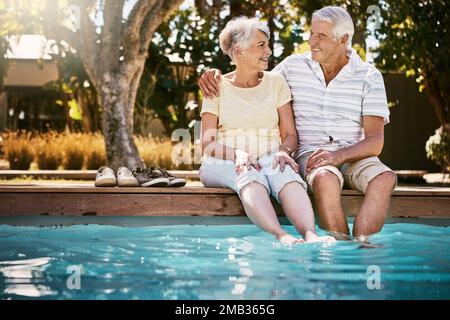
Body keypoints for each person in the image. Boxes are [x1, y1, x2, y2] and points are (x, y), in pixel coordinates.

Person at [199, 7, 397, 240]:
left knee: (385, 179)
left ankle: (363, 248)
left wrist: (338, 155)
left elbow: (375, 142)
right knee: (325, 179)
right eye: (311, 33)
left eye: (320, 36)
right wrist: (212, 74)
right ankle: (339, 249)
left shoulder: (369, 76)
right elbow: (252, 75)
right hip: (312, 154)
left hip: (355, 153)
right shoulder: (292, 67)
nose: (311, 41)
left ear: (343, 39)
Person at [199, 17, 335, 244]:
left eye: (268, 44)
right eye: (261, 45)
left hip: (269, 155)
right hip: (222, 159)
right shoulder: (216, 86)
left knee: (285, 173)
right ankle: (281, 235)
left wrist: (284, 151)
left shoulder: (276, 82)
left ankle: (310, 235)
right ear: (239, 51)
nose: (269, 51)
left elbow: (290, 135)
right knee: (249, 174)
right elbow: (207, 144)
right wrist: (238, 155)